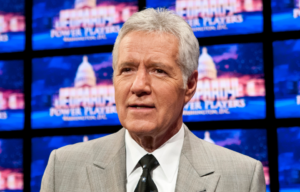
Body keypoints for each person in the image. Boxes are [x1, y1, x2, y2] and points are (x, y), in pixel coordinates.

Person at [40, 8, 266, 192]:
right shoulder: (63, 168)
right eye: (127, 69)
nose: (138, 86)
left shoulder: (242, 177)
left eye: (158, 70)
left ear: (189, 85)